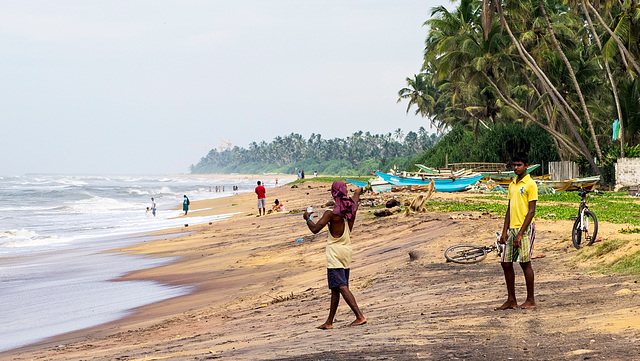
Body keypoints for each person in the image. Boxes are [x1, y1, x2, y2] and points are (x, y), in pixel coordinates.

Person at [303, 181, 367, 329]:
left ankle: (359, 316)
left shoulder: (331, 213)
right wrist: (358, 190)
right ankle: (329, 322)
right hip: (346, 250)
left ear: (333, 193)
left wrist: (307, 218)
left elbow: (314, 229)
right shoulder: (352, 208)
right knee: (336, 287)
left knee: (342, 286)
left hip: (335, 253)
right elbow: (356, 196)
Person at [496, 152, 538, 310]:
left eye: (519, 165)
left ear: (526, 166)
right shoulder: (512, 184)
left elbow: (531, 211)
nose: (516, 167)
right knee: (506, 263)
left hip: (525, 228)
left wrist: (520, 233)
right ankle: (511, 299)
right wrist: (504, 230)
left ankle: (530, 300)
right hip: (512, 227)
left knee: (525, 263)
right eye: (514, 165)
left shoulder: (530, 184)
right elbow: (509, 208)